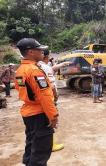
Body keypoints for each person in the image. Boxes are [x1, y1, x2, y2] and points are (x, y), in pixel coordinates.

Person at [15, 38, 58, 166]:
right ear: (31, 52)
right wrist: (53, 115)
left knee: (31, 145)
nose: (42, 52)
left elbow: (19, 88)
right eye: (39, 50)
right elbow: (44, 96)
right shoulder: (34, 71)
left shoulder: (21, 70)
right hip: (39, 114)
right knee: (41, 152)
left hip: (29, 114)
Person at [37, 49, 65, 152]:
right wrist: (55, 98)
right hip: (48, 99)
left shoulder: (37, 66)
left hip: (37, 102)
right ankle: (51, 145)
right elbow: (52, 86)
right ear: (46, 57)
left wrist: (62, 64)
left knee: (42, 124)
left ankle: (45, 144)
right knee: (50, 121)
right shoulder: (44, 67)